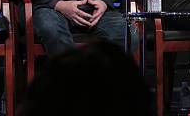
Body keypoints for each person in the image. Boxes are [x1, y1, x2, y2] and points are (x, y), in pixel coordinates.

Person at [22, 41, 154, 116]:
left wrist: (102, 2)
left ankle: (117, 101)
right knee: (49, 26)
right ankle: (67, 102)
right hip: (51, 7)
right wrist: (59, 4)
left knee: (128, 31)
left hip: (96, 9)